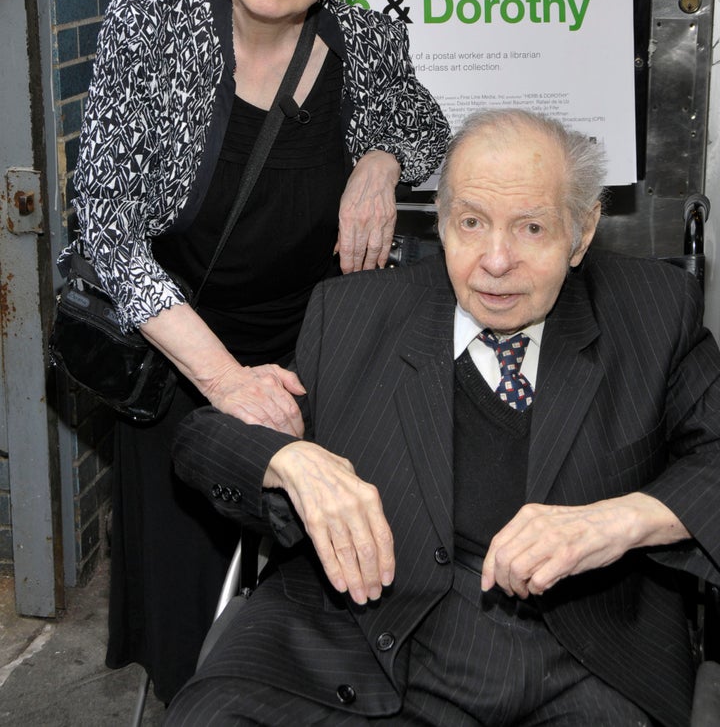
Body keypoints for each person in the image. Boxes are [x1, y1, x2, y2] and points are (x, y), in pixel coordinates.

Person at [59, 0, 450, 703]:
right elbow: (108, 231)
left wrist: (381, 163)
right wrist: (225, 381)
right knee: (194, 614)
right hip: (181, 360)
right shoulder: (149, 26)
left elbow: (426, 126)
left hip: (320, 362)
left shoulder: (363, 41)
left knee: (317, 602)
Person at [168, 108, 720, 726]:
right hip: (359, 640)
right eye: (471, 223)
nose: (495, 260)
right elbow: (203, 442)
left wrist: (619, 522)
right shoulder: (353, 313)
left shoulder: (652, 312)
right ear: (441, 221)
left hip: (581, 659)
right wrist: (288, 461)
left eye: (532, 228)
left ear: (582, 232)